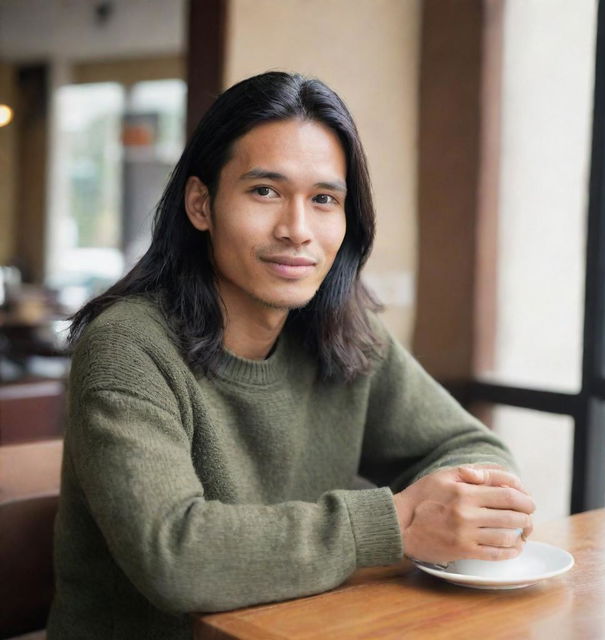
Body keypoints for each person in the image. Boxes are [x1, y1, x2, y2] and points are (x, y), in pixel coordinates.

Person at [47, 71, 535, 639]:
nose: (297, 230)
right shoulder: (128, 345)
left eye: (324, 199)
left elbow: (471, 446)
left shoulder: (345, 332)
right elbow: (174, 556)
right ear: (201, 204)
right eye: (265, 191)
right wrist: (399, 521)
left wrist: (469, 505)